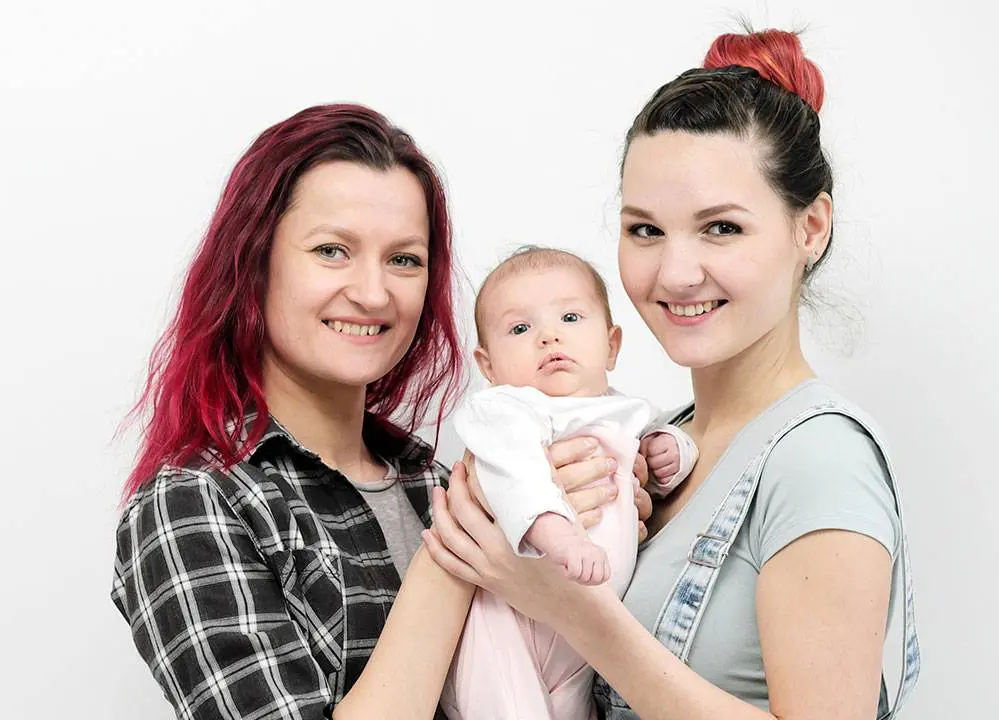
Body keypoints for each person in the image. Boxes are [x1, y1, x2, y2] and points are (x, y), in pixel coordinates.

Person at [423, 28, 920, 720]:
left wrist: (572, 610)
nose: (676, 273)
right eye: (646, 230)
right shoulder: (663, 443)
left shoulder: (818, 462)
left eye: (721, 228)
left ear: (810, 228)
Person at [109, 104, 649, 720]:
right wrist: (467, 541)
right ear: (253, 263)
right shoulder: (192, 504)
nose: (372, 293)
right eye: (332, 250)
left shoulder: (433, 478)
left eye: (404, 259)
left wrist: (615, 510)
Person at [440, 247, 698, 720]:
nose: (549, 336)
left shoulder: (627, 412)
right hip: (510, 619)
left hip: (582, 634)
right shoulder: (506, 411)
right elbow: (517, 474)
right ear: (489, 365)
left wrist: (671, 453)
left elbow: (645, 481)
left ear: (611, 345)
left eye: (571, 317)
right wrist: (557, 536)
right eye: (520, 329)